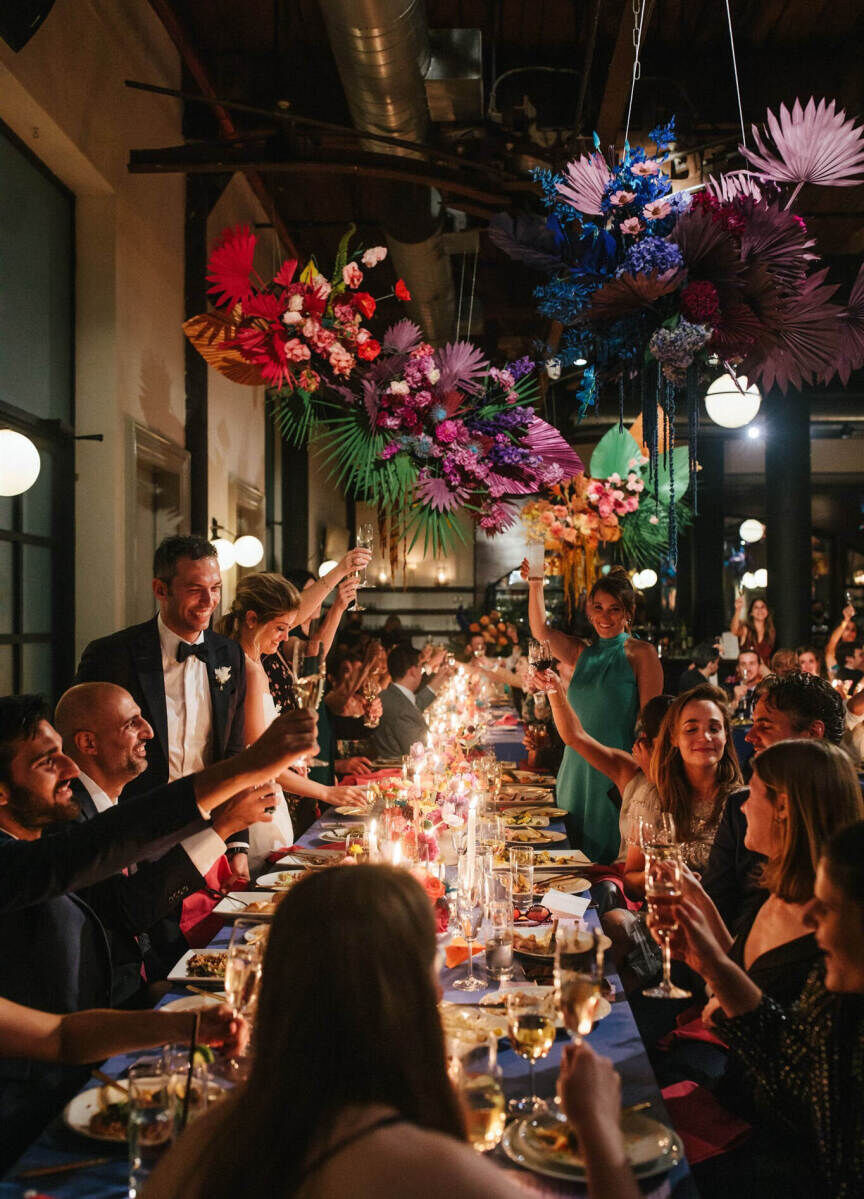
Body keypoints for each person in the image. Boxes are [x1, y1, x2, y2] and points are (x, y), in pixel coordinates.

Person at [0, 694, 316, 1169]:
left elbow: (62, 1035)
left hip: (82, 1080)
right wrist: (249, 765)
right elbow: (102, 844)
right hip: (27, 1133)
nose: (70, 767)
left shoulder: (39, 837)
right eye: (48, 761)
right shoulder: (21, 863)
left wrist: (188, 1027)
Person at [143, 866, 529, 1199]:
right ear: (405, 995)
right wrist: (593, 1119)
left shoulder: (216, 1135)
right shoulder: (426, 1166)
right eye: (430, 971)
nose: (440, 990)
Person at [664, 820, 864, 1199]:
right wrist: (713, 967)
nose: (809, 917)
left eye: (830, 906)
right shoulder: (834, 988)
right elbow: (796, 1079)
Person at [55, 682, 263, 999]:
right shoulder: (71, 819)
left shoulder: (112, 804)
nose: (149, 731)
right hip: (113, 1000)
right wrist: (222, 829)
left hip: (153, 972)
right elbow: (129, 911)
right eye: (131, 723)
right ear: (88, 743)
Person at [76, 535, 251, 877]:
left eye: (215, 588)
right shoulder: (113, 656)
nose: (209, 600)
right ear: (161, 589)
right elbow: (85, 754)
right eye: (195, 589)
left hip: (209, 833)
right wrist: (107, 839)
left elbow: (233, 752)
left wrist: (237, 844)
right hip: (135, 837)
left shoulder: (229, 655)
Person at [218, 573, 368, 871]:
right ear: (251, 619)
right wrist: (326, 792)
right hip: (257, 804)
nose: (286, 637)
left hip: (270, 797)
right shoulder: (249, 670)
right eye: (281, 628)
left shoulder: (252, 662)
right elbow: (258, 760)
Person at [522, 562, 663, 863]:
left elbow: (655, 723)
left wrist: (649, 777)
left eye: (614, 609)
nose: (605, 616)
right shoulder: (580, 652)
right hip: (575, 768)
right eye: (598, 607)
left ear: (628, 613)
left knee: (607, 862)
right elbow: (540, 631)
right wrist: (536, 583)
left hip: (615, 770)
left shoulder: (641, 653)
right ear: (588, 611)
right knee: (570, 856)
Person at [703, 671, 846, 932]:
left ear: (813, 733)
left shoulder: (851, 823)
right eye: (753, 723)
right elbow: (717, 906)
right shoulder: (740, 808)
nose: (749, 736)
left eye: (765, 725)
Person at [539, 673, 674, 861]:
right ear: (645, 741)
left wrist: (654, 775)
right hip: (626, 876)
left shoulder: (694, 780)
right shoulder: (631, 771)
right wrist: (554, 690)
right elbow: (575, 737)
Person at [366, 645, 449, 759]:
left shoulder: (391, 695)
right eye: (420, 666)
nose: (422, 670)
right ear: (413, 671)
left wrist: (441, 677)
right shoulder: (399, 707)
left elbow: (417, 703)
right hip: (398, 770)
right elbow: (420, 751)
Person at [825, 603, 864, 688]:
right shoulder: (836, 668)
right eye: (847, 629)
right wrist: (846, 620)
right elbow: (830, 647)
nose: (851, 633)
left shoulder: (860, 649)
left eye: (853, 630)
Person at [730, 595, 775, 667]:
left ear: (767, 612)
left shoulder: (771, 632)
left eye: (762, 607)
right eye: (756, 607)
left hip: (764, 674)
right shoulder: (746, 629)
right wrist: (738, 610)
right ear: (751, 613)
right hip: (747, 673)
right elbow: (734, 631)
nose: (760, 610)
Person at [724, 649, 761, 721]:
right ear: (737, 668)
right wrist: (735, 701)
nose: (748, 668)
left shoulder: (768, 691)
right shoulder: (726, 690)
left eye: (752, 663)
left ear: (759, 667)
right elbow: (720, 718)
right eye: (743, 664)